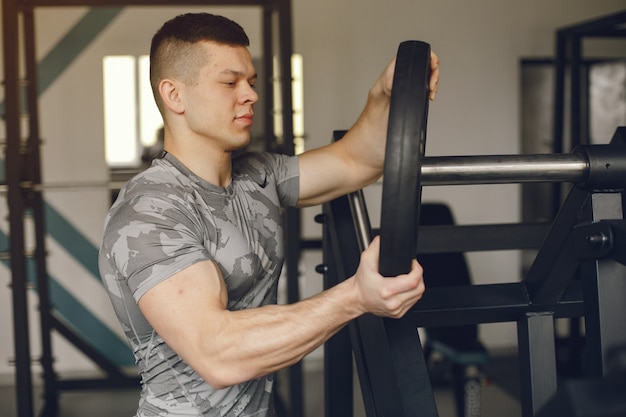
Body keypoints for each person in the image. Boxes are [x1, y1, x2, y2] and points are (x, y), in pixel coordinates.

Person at [98, 12, 440, 417]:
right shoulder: (148, 213)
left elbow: (358, 160)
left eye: (251, 82)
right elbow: (217, 353)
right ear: (174, 95)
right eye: (230, 82)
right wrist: (355, 297)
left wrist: (386, 94)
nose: (250, 95)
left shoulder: (258, 176)